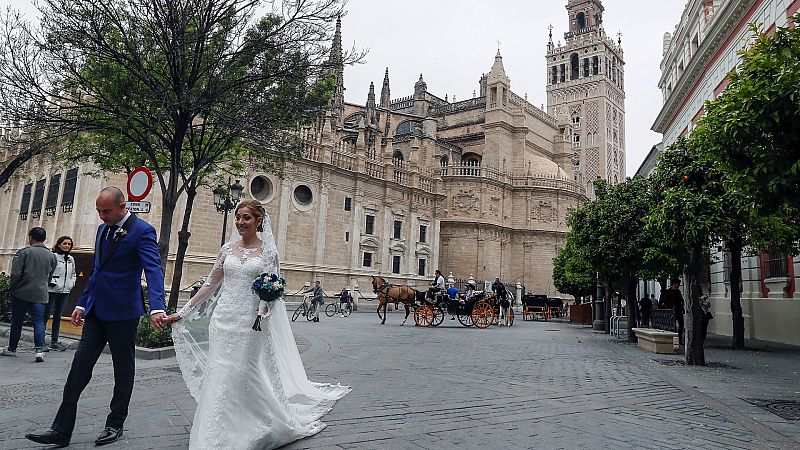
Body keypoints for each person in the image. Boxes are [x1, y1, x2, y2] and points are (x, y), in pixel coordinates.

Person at [165, 199, 350, 449]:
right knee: (220, 374)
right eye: (238, 217)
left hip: (251, 323)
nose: (241, 222)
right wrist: (184, 312)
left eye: (246, 218)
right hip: (222, 321)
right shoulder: (227, 249)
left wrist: (266, 306)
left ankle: (257, 425)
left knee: (244, 372)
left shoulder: (268, 252)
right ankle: (216, 430)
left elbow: (273, 288)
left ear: (259, 221)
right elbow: (211, 284)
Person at [25, 187, 167, 448]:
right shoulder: (103, 229)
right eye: (99, 211)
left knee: (123, 369)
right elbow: (97, 271)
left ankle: (115, 423)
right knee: (79, 366)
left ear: (122, 207)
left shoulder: (142, 231)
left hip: (124, 313)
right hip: (97, 311)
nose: (102, 216)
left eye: (106, 211)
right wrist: (82, 303)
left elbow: (153, 269)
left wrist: (158, 306)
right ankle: (61, 430)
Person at [1, 227, 57, 362]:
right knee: (38, 321)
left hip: (22, 292)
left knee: (17, 321)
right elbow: (50, 275)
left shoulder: (24, 252)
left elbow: (16, 274)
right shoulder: (51, 256)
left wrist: (13, 288)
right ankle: (39, 350)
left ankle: (12, 349)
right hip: (40, 293)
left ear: (31, 237)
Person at [43, 236, 77, 352]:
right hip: (52, 290)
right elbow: (47, 271)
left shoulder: (71, 259)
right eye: (64, 243)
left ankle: (54, 341)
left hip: (65, 291)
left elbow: (73, 273)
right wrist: (53, 282)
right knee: (46, 315)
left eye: (69, 244)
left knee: (58, 316)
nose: (67, 246)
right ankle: (40, 341)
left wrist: (71, 283)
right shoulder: (53, 257)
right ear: (58, 244)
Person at [659, 278, 685, 346]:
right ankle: (672, 340)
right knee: (671, 326)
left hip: (678, 310)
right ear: (674, 284)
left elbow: (681, 300)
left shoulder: (678, 292)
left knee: (681, 325)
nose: (679, 285)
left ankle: (679, 340)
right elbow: (665, 301)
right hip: (671, 311)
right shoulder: (668, 292)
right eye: (678, 284)